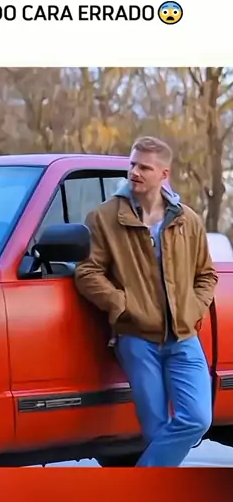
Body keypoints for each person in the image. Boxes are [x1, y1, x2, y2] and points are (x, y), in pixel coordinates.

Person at [74, 135, 218, 467]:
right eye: (133, 164)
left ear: (164, 174)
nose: (135, 172)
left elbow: (206, 275)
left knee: (197, 418)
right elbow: (87, 272)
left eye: (145, 167)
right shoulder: (104, 218)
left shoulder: (188, 221)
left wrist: (193, 309)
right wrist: (122, 304)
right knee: (155, 431)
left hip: (184, 339)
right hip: (137, 339)